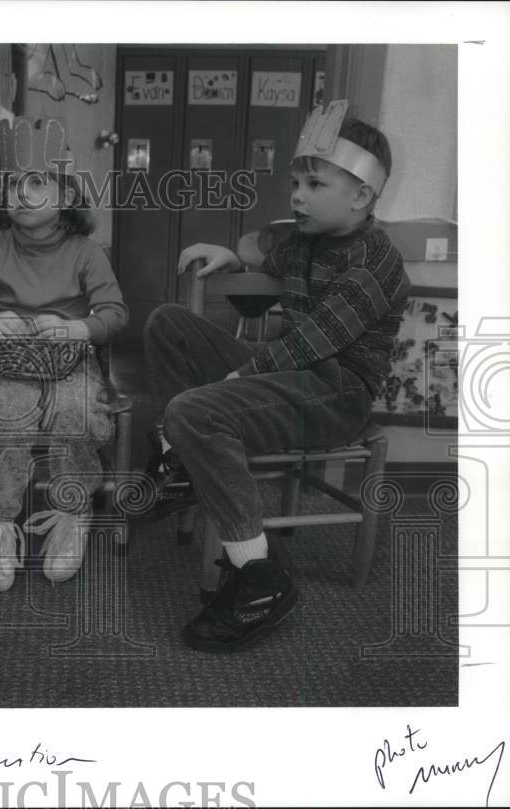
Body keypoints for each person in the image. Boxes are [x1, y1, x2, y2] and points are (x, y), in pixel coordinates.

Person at [144, 101, 411, 652]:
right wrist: (231, 255)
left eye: (314, 184)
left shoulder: (375, 260)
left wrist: (241, 371)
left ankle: (258, 579)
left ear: (360, 196)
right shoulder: (306, 240)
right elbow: (263, 247)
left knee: (196, 409)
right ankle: (182, 463)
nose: (296, 195)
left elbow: (313, 342)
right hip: (293, 381)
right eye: (295, 182)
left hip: (337, 392)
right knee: (169, 323)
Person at [0, 117, 128, 592]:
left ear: (65, 197)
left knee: (78, 411)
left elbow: (114, 314)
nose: (21, 193)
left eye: (36, 182)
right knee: (6, 413)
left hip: (68, 361)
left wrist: (77, 328)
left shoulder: (86, 251)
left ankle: (71, 513)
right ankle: (0, 523)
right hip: (3, 362)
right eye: (12, 184)